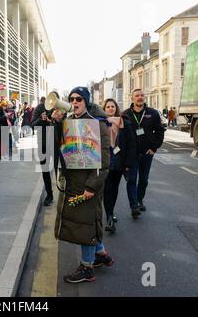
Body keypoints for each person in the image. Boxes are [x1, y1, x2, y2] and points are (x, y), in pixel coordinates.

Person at [52, 86, 114, 284]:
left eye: (79, 98)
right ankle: (100, 254)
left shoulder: (98, 124)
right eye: (72, 98)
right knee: (85, 221)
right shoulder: (71, 121)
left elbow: (103, 163)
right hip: (74, 182)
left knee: (85, 225)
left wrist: (91, 187)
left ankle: (87, 268)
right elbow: (63, 147)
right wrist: (57, 124)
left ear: (86, 101)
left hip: (88, 184)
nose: (75, 101)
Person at [122, 89, 165, 218]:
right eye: (137, 96)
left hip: (147, 154)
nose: (140, 97)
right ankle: (134, 206)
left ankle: (140, 200)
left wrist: (154, 148)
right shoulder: (125, 114)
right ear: (132, 98)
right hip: (132, 154)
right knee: (131, 180)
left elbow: (160, 132)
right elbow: (121, 135)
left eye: (142, 95)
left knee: (143, 180)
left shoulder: (153, 113)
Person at [102, 99, 136, 233]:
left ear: (116, 108)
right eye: (107, 107)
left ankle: (111, 212)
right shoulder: (100, 123)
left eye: (112, 106)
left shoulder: (124, 122)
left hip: (118, 160)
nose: (110, 109)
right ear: (104, 109)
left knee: (114, 188)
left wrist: (128, 164)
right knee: (107, 188)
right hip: (105, 160)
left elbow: (131, 143)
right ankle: (109, 215)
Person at [32, 96, 55, 206]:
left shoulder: (58, 108)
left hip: (57, 144)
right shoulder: (39, 108)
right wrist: (41, 119)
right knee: (45, 171)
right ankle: (49, 195)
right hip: (43, 144)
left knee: (61, 169)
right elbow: (33, 125)